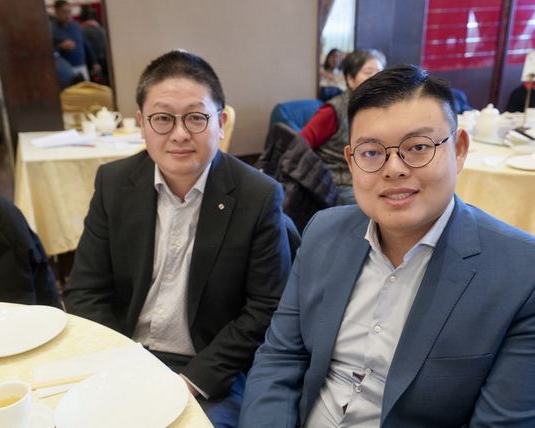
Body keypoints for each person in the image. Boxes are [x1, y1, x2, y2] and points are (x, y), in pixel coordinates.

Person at [240, 64, 535, 427]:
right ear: (351, 162)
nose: (394, 169)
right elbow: (281, 357)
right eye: (371, 153)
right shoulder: (323, 231)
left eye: (418, 147)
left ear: (459, 149)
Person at [64, 50, 295, 423]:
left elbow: (266, 308)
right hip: (122, 355)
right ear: (142, 124)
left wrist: (190, 382)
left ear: (220, 122)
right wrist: (121, 365)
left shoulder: (258, 196)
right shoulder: (113, 183)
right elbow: (85, 290)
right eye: (162, 119)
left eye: (196, 117)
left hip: (207, 369)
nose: (180, 134)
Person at [301, 49, 386, 204]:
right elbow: (300, 145)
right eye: (368, 73)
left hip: (375, 176)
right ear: (350, 79)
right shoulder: (333, 110)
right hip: (341, 183)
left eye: (380, 72)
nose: (376, 78)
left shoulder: (384, 108)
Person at [51, 0, 101, 81]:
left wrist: (94, 62)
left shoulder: (76, 26)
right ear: (56, 13)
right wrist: (61, 47)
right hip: (64, 71)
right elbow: (47, 51)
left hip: (81, 67)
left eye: (69, 12)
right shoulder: (51, 29)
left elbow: (86, 45)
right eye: (64, 12)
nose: (67, 15)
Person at [79, 5, 109, 85]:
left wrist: (94, 62)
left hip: (94, 63)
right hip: (105, 61)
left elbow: (89, 49)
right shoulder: (100, 28)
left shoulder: (84, 30)